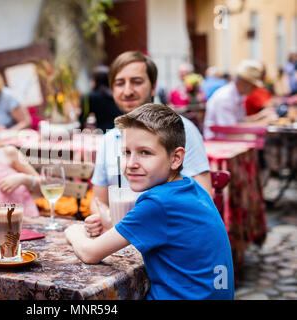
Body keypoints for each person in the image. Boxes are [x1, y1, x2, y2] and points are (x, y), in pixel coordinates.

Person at [65, 104, 234, 300]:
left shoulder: (159, 203)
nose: (131, 163)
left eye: (145, 152)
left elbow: (89, 253)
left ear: (175, 158)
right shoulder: (191, 188)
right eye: (127, 152)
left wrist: (73, 231)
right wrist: (113, 226)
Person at [89, 51, 212, 221]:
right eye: (119, 83)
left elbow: (204, 200)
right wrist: (105, 218)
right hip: (120, 238)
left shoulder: (180, 129)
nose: (127, 91)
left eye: (136, 82)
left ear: (153, 87)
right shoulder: (109, 139)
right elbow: (97, 201)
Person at [203, 60, 278, 140]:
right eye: (253, 86)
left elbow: (240, 121)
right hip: (218, 142)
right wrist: (262, 123)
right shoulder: (225, 98)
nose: (254, 89)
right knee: (258, 140)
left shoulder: (238, 95)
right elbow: (231, 128)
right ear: (243, 82)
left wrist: (260, 116)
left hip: (228, 138)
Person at [79, 65, 123, 131]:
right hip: (120, 130)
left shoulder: (89, 97)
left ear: (95, 81)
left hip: (103, 132)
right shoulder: (117, 94)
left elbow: (83, 117)